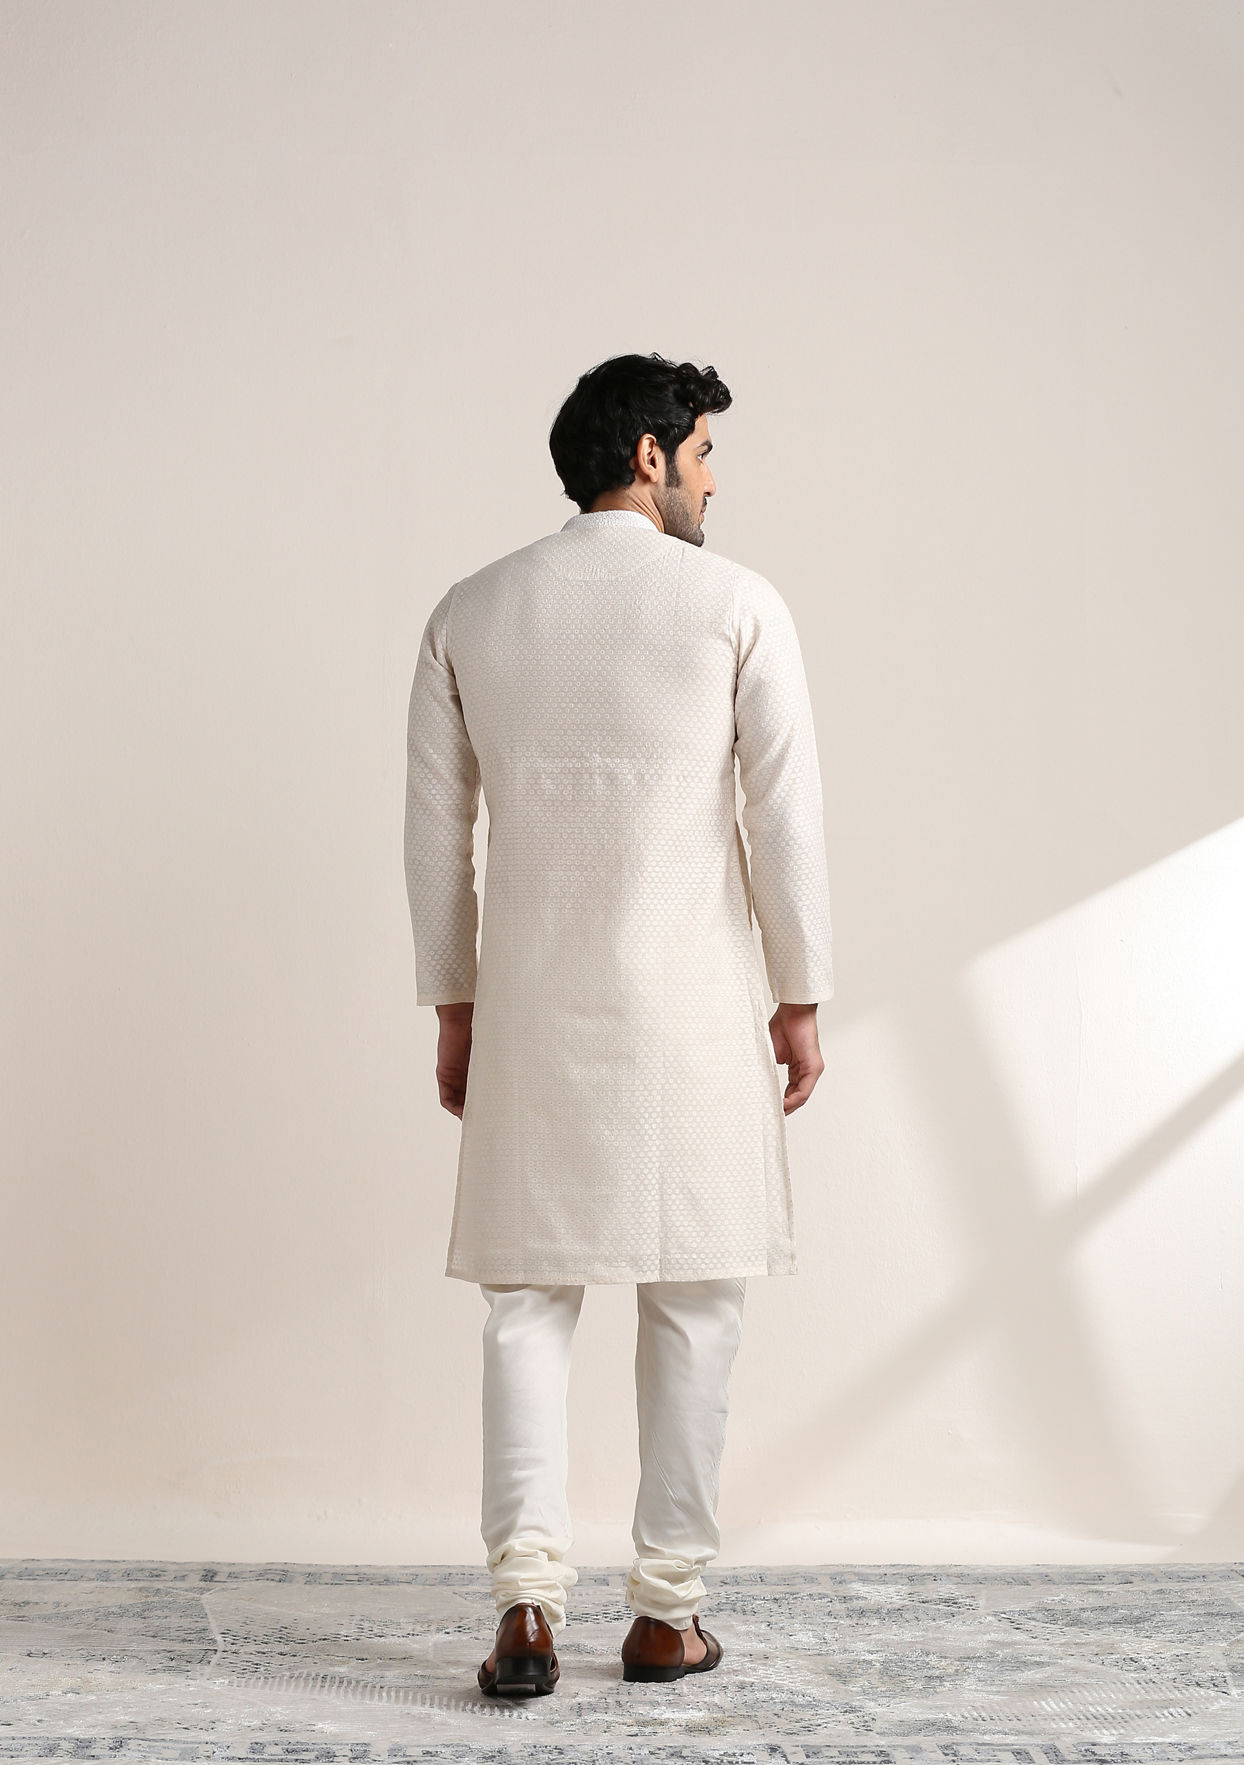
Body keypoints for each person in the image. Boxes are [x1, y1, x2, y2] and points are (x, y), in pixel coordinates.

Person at [404, 351, 833, 1696]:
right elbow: (784, 815)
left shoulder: (472, 610)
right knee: (695, 1300)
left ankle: (527, 1608)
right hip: (693, 1007)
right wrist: (801, 994)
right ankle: (666, 1612)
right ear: (649, 456)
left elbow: (436, 835)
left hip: (534, 1009)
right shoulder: (737, 604)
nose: (710, 481)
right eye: (702, 454)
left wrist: (455, 1002)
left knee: (525, 1307)